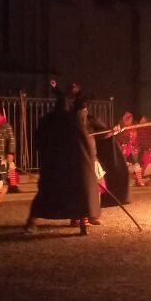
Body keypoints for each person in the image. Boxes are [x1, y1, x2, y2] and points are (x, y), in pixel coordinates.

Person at [25, 86, 101, 234]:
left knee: (73, 193)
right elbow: (82, 143)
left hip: (63, 164)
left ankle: (33, 223)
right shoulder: (66, 121)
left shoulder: (52, 120)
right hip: (60, 164)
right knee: (57, 193)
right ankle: (32, 222)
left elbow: (40, 140)